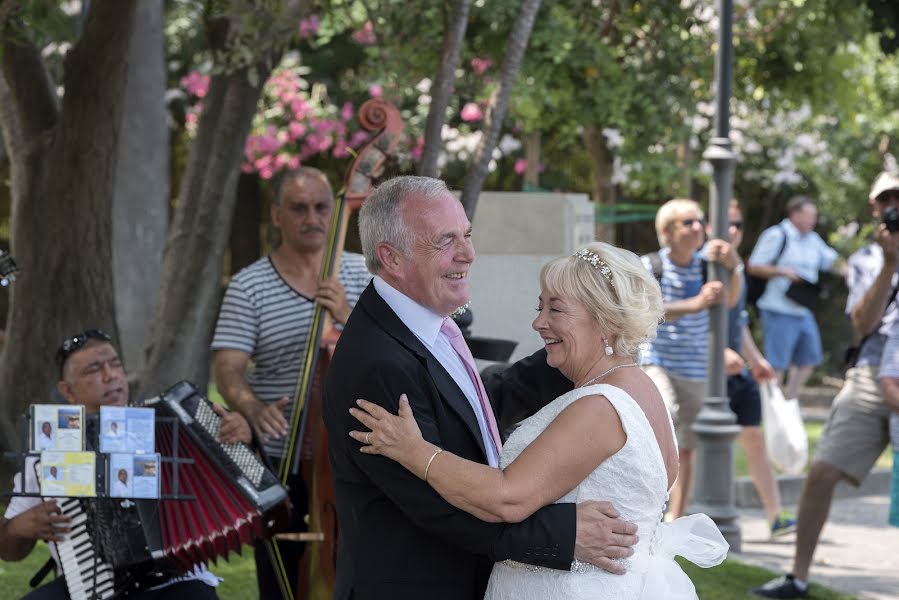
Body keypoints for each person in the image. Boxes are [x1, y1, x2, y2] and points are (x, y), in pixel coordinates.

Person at [326, 176, 659, 600]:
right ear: (391, 258)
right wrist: (566, 534)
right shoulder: (378, 363)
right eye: (445, 241)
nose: (467, 253)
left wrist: (584, 346)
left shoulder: (430, 323)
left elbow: (481, 407)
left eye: (466, 235)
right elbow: (442, 509)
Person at [349, 237, 729, 599]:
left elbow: (506, 498)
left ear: (606, 322)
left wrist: (414, 451)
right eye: (540, 307)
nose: (539, 323)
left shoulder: (601, 406)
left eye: (556, 309)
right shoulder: (640, 387)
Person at [211, 166, 371, 597]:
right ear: (277, 214)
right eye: (298, 208)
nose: (312, 218)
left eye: (321, 207)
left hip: (352, 454)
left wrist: (347, 316)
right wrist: (251, 406)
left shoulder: (360, 274)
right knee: (278, 576)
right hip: (279, 456)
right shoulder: (249, 285)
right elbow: (227, 369)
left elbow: (395, 353)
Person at [0, 329, 242, 599]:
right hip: (90, 586)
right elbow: (9, 550)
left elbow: (240, 473)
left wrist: (241, 435)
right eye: (94, 369)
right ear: (67, 391)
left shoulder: (170, 426)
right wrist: (18, 527)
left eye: (115, 364)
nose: (110, 375)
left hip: (177, 580)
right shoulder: (50, 449)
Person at [753, 172, 899, 598]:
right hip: (872, 373)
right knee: (821, 472)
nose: (893, 203)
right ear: (875, 207)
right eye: (885, 198)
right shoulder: (868, 259)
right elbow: (862, 325)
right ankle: (797, 578)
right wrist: (890, 263)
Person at [640, 198, 741, 519]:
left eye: (700, 221)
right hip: (658, 362)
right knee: (663, 417)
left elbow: (731, 300)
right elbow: (645, 311)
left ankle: (675, 518)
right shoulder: (649, 266)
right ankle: (647, 500)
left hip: (698, 368)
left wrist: (734, 266)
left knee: (687, 449)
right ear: (667, 233)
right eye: (688, 223)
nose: (698, 227)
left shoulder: (708, 266)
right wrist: (695, 303)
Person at [711, 200, 796, 537]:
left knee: (754, 438)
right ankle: (676, 516)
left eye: (739, 225)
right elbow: (691, 322)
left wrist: (755, 358)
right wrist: (718, 353)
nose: (732, 230)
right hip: (704, 372)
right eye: (726, 223)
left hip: (737, 371)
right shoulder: (704, 266)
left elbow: (738, 322)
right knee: (688, 449)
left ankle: (775, 517)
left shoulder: (738, 269)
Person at [746, 196, 839, 402]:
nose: (813, 220)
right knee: (778, 364)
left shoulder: (813, 239)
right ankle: (774, 406)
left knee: (810, 359)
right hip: (778, 308)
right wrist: (782, 272)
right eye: (809, 216)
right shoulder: (776, 235)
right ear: (795, 214)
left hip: (803, 309)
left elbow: (833, 262)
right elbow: (754, 266)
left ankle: (790, 400)